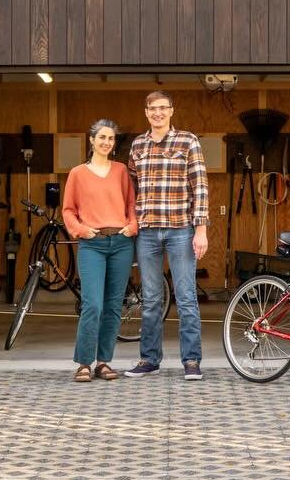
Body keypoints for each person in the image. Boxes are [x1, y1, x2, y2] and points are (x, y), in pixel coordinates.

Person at [124, 90, 209, 380]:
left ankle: (192, 361)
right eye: (152, 109)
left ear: (172, 110)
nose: (157, 113)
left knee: (186, 298)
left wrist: (201, 230)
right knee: (150, 300)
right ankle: (149, 359)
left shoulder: (188, 141)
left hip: (181, 231)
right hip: (147, 232)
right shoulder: (137, 145)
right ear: (146, 112)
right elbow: (131, 190)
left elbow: (200, 186)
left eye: (163, 108)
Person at [61, 119, 137, 383]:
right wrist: (81, 230)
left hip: (121, 243)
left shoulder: (121, 171)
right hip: (92, 243)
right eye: (102, 137)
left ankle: (104, 362)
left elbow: (131, 204)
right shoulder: (77, 174)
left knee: (114, 305)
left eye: (111, 138)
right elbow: (68, 210)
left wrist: (132, 225)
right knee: (92, 304)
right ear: (91, 140)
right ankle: (83, 362)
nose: (106, 142)